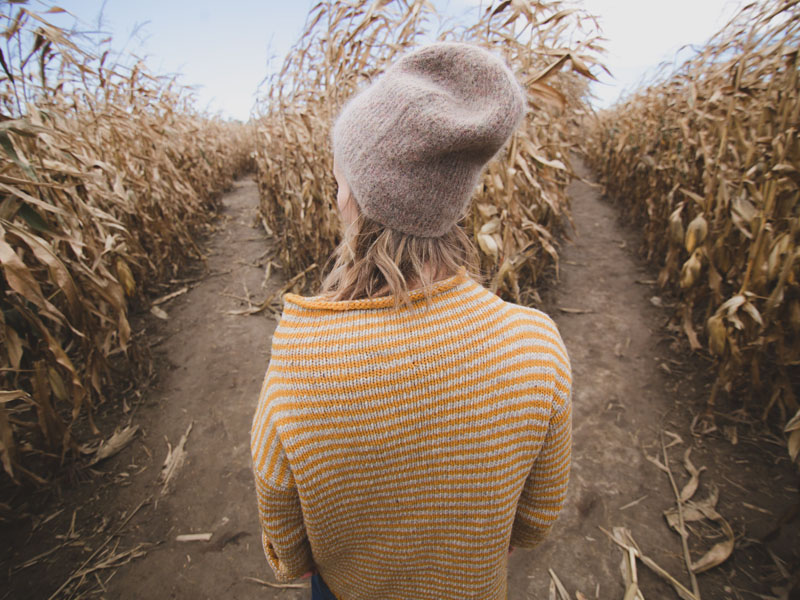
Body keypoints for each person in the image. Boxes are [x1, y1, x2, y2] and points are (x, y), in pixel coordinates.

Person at [250, 41, 572, 600]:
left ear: (358, 198)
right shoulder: (537, 347)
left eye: (339, 178)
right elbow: (537, 520)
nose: (335, 191)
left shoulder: (301, 368)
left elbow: (288, 550)